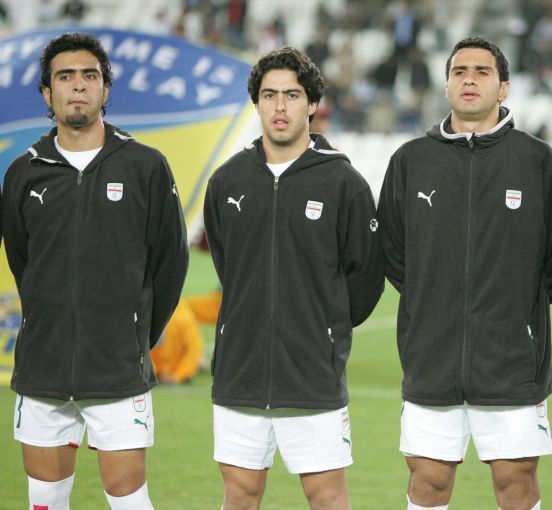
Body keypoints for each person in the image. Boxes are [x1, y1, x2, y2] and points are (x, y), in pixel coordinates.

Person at [377, 36, 552, 510]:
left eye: (483, 72)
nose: (469, 79)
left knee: (515, 482)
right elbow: (394, 254)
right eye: (459, 71)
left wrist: (517, 311)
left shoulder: (537, 160)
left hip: (512, 359)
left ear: (503, 88)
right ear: (446, 86)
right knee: (428, 481)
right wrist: (431, 304)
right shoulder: (410, 160)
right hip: (431, 356)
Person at [2, 32, 188, 509]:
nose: (79, 85)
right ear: (47, 93)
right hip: (43, 365)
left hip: (117, 366)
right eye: (65, 77)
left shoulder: (146, 166)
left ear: (106, 88)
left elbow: (170, 263)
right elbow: (24, 260)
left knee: (128, 499)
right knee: (44, 501)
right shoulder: (23, 172)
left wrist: (136, 334)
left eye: (90, 75)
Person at [203, 47, 384, 510]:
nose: (280, 107)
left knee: (327, 497)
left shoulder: (344, 183)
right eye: (269, 95)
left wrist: (323, 329)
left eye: (292, 95)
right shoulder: (227, 181)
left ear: (312, 103)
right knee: (239, 495)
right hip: (240, 370)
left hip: (313, 373)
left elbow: (365, 278)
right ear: (256, 103)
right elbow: (228, 265)